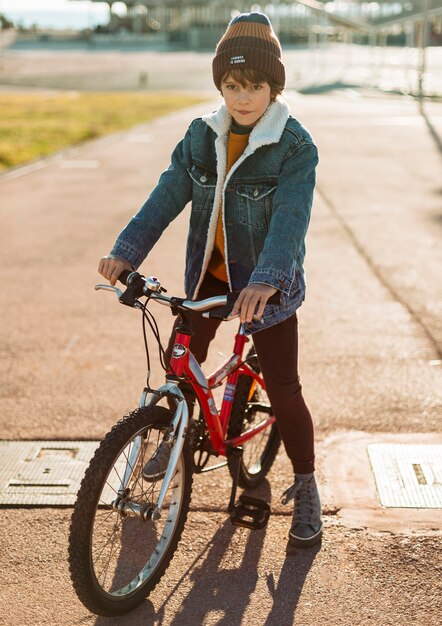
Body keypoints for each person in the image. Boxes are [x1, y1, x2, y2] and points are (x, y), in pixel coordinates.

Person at [98, 12, 322, 548]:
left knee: (285, 389)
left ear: (274, 87)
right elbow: (168, 192)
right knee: (178, 361)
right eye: (231, 85)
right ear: (220, 85)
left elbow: (291, 221)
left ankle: (306, 482)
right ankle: (168, 434)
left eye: (255, 86)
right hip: (209, 275)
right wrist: (124, 252)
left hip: (266, 288)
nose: (242, 98)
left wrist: (267, 280)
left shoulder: (295, 147)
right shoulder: (201, 135)